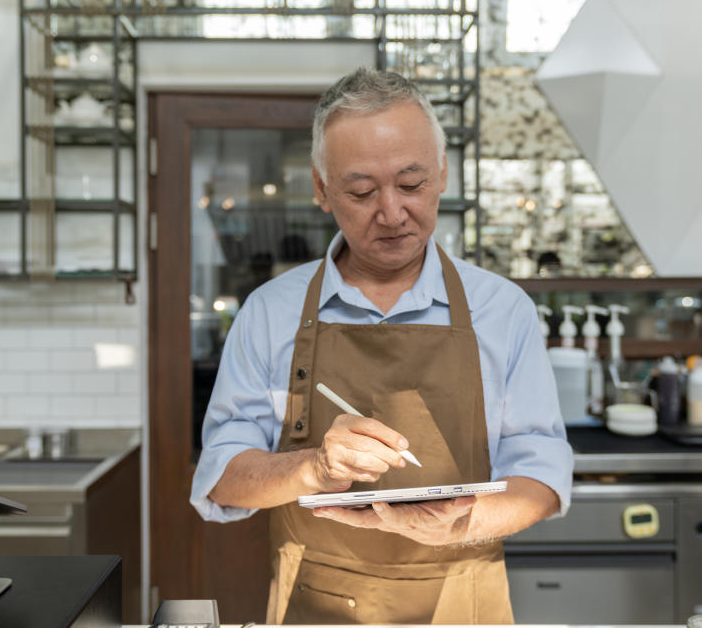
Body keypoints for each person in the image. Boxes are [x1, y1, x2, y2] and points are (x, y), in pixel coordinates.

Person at [190, 67, 573, 624]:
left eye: (412, 185)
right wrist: (312, 469)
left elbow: (541, 473)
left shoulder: (503, 310)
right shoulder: (270, 313)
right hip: (315, 605)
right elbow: (223, 477)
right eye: (362, 191)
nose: (392, 213)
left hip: (462, 601)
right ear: (322, 190)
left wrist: (463, 521)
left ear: (442, 174)